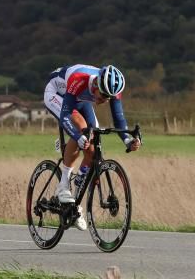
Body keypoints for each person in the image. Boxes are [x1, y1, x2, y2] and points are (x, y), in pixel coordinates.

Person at [42, 64, 141, 230]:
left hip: (79, 99)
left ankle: (76, 196)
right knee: (81, 128)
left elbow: (118, 118)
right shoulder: (79, 79)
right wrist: (76, 136)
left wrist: (127, 140)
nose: (104, 100)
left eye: (109, 98)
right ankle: (63, 186)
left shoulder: (111, 88)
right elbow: (66, 114)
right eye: (103, 95)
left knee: (92, 143)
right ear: (96, 85)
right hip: (57, 93)